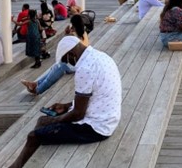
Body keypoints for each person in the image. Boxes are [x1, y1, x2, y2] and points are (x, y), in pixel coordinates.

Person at [9, 36, 121, 168]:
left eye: (65, 60)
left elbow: (78, 114)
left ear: (71, 55)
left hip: (96, 127)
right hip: (109, 118)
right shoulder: (101, 56)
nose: (68, 64)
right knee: (42, 123)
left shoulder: (84, 69)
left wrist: (55, 120)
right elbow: (92, 96)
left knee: (34, 135)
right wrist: (67, 106)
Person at [21, 14, 90, 96]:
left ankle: (38, 90)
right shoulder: (76, 33)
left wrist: (69, 35)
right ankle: (36, 84)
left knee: (61, 66)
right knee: (56, 66)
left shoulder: (82, 34)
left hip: (80, 63)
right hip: (74, 60)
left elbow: (81, 48)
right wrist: (67, 34)